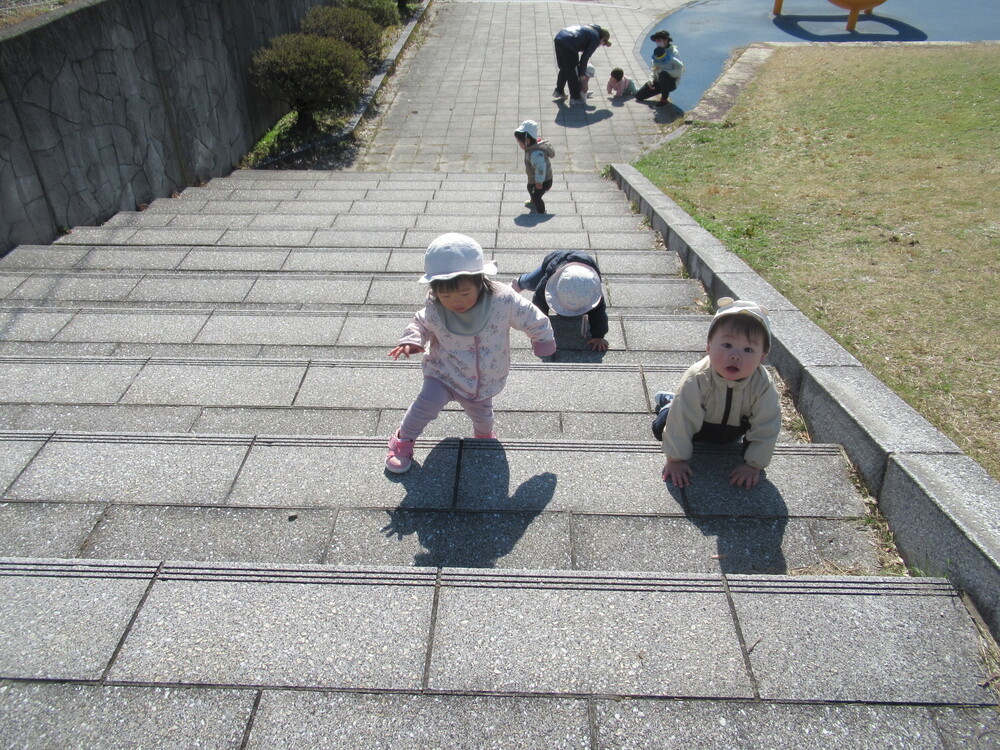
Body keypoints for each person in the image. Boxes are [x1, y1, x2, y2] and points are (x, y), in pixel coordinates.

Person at [385, 233, 556, 474]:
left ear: (480, 281)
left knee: (483, 416)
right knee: (424, 406)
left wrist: (543, 339)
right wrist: (413, 340)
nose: (455, 302)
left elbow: (532, 316)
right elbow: (422, 322)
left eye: (465, 293)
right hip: (443, 371)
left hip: (484, 377)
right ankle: (403, 439)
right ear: (436, 290)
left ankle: (484, 435)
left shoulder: (502, 299)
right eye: (446, 295)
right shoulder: (435, 305)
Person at [654, 298, 781, 489]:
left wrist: (754, 464)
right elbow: (681, 421)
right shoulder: (697, 378)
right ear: (708, 346)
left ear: (762, 357)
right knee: (660, 427)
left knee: (730, 440)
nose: (735, 356)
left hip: (732, 430)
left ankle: (672, 400)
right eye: (727, 345)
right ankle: (669, 403)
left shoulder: (762, 386)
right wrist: (675, 459)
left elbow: (767, 426)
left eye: (748, 349)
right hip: (699, 425)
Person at [511, 250, 609, 352]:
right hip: (554, 260)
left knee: (597, 311)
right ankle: (519, 282)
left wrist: (598, 336)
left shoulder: (593, 293)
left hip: (585, 266)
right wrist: (539, 329)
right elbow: (539, 304)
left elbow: (599, 315)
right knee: (530, 282)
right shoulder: (546, 284)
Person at [552, 24, 611, 104]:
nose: (601, 45)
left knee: (564, 68)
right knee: (572, 71)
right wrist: (582, 74)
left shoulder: (590, 30)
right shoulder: (595, 39)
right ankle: (575, 98)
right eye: (603, 44)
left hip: (559, 38)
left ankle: (559, 91)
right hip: (570, 44)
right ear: (603, 39)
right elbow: (584, 58)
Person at [514, 120, 555, 215]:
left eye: (520, 143)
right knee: (529, 187)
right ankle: (533, 201)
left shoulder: (536, 153)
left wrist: (539, 182)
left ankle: (541, 212)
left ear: (527, 141)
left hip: (544, 180)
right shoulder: (531, 149)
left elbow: (541, 168)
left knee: (537, 196)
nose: (519, 145)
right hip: (535, 178)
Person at [635, 30, 684, 107]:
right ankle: (660, 89)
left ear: (666, 40)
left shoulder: (673, 53)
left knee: (663, 75)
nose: (657, 42)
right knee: (639, 96)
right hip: (658, 81)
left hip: (670, 82)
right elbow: (654, 69)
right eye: (656, 41)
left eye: (659, 40)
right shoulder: (657, 52)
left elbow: (679, 71)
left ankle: (664, 99)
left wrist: (664, 72)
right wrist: (650, 80)